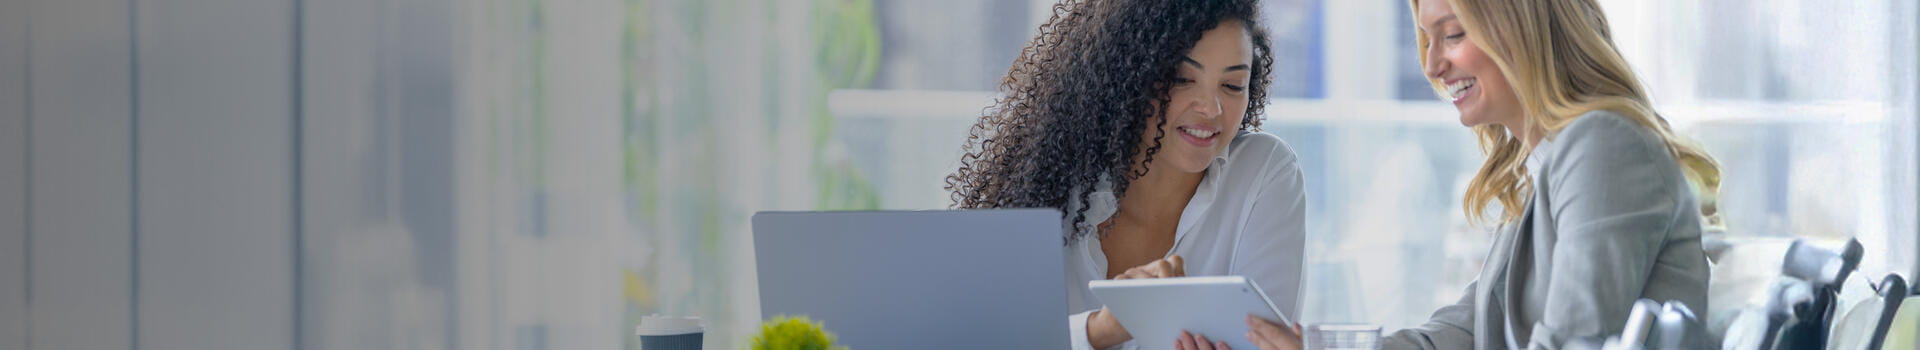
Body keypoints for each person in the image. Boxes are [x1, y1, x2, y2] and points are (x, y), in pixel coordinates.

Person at [1203, 0, 1724, 349]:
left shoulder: (1603, 145)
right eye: (1426, 41)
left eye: (1451, 35)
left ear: (1520, 28)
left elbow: (1573, 341)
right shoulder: (1543, 168)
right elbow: (1467, 330)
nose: (1432, 66)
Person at [943, 0, 1305, 349]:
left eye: (1233, 85)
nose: (1211, 109)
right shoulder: (1046, 181)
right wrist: (1100, 330)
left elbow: (1265, 340)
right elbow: (983, 338)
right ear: (1126, 75)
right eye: (1181, 79)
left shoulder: (1262, 171)